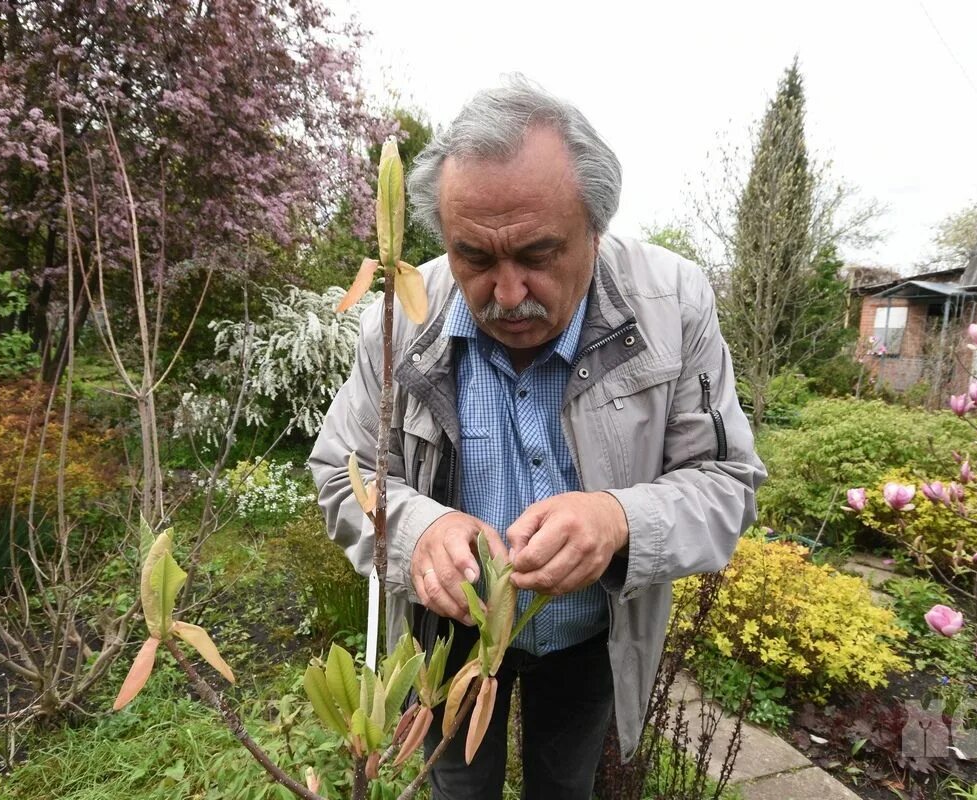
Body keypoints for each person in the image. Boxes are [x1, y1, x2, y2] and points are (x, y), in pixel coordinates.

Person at [309, 77, 766, 800]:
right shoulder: (399, 322)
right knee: (457, 789)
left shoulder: (673, 309)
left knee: (564, 785)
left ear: (596, 229)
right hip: (445, 637)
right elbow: (344, 470)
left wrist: (618, 521)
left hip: (591, 631)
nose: (509, 293)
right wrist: (420, 527)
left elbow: (725, 481)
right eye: (477, 259)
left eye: (538, 253)